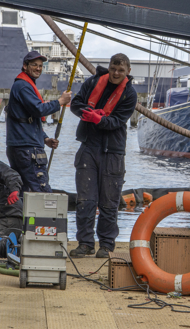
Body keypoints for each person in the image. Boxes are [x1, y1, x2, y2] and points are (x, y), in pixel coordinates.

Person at [69, 53, 137, 258]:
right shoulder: (92, 82)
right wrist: (85, 114)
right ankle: (85, 243)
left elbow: (117, 121)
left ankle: (106, 245)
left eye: (121, 70)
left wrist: (98, 120)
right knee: (85, 200)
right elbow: (75, 104)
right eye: (113, 69)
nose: (116, 73)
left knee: (109, 202)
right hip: (88, 148)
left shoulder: (130, 94)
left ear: (127, 72)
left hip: (113, 153)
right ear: (109, 67)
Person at [6, 51, 72, 195]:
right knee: (41, 192)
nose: (38, 68)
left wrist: (45, 139)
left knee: (23, 192)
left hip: (20, 148)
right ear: (25, 66)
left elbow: (28, 121)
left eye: (41, 66)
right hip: (27, 151)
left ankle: (22, 217)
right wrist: (60, 102)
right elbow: (38, 110)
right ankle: (44, 218)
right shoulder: (23, 86)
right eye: (34, 65)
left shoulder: (24, 85)